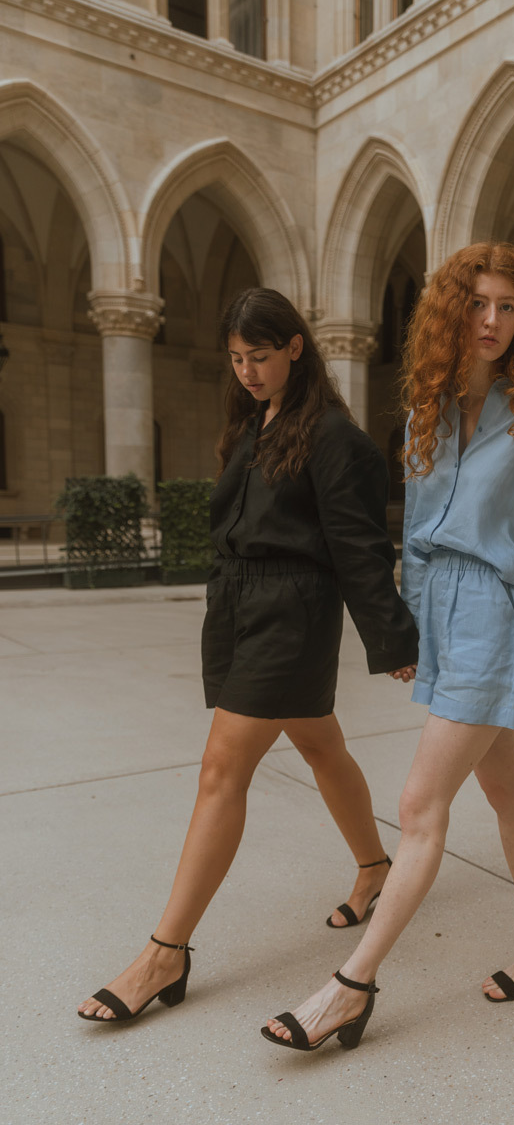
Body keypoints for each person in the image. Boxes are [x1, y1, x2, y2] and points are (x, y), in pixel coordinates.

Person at [262, 241, 514, 1053]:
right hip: (442, 616)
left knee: (418, 806)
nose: (493, 320)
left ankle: (352, 986)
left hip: (498, 618)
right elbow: (410, 534)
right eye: (478, 303)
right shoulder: (425, 413)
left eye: (509, 307)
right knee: (503, 784)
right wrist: (405, 626)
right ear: (451, 311)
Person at [78, 288, 418, 1023]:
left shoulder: (336, 438)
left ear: (296, 346)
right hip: (239, 607)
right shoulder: (252, 422)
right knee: (322, 747)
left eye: (258, 357)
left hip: (291, 616)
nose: (247, 372)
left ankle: (166, 952)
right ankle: (374, 867)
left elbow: (361, 548)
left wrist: (393, 638)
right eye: (235, 360)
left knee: (220, 770)